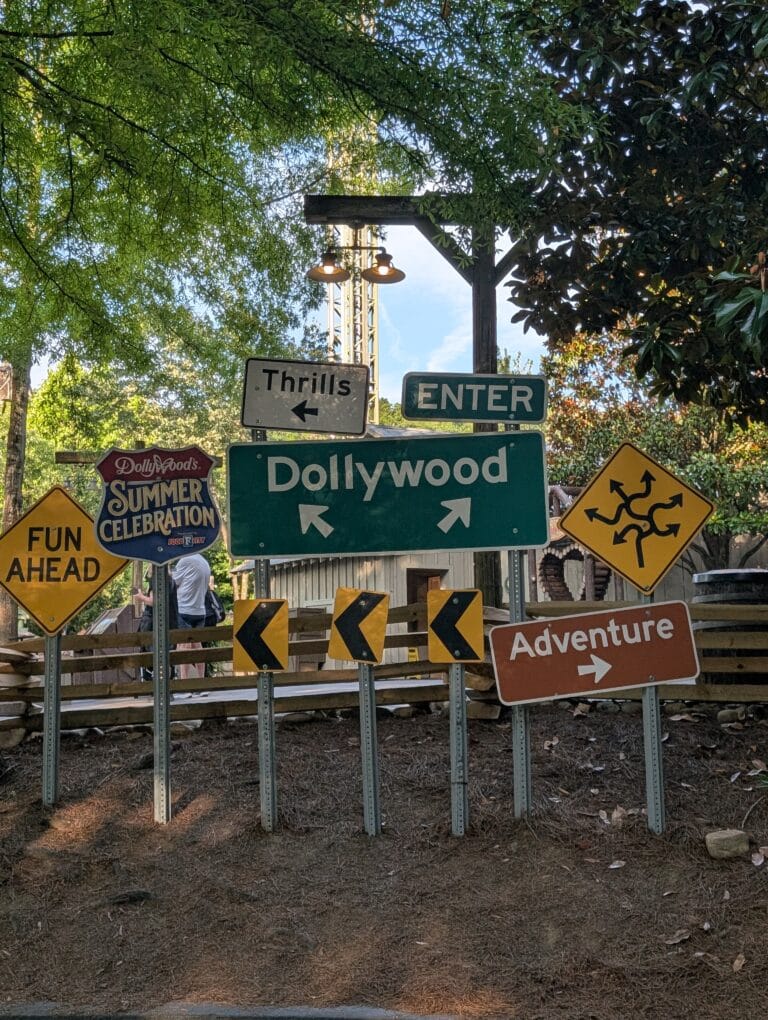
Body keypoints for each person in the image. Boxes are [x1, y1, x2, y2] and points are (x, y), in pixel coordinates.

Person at [170, 552, 211, 680]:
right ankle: (201, 682)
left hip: (184, 609)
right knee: (197, 646)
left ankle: (184, 682)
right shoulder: (204, 562)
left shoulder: (184, 560)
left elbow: (173, 583)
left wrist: (169, 572)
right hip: (200, 610)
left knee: (184, 646)